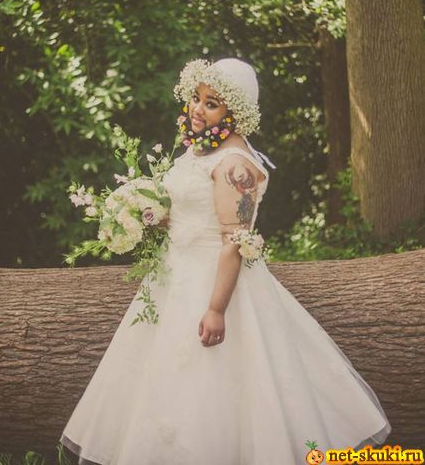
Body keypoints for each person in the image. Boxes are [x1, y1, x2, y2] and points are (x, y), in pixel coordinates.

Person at [59, 56, 391, 465]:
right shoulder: (199, 151)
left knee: (213, 387)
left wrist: (216, 309)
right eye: (196, 98)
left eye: (211, 103)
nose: (198, 109)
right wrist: (149, 214)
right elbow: (190, 211)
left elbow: (235, 240)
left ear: (235, 112)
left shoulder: (235, 165)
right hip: (172, 280)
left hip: (213, 283)